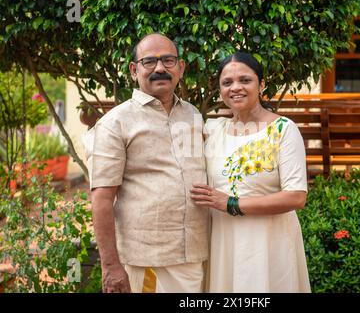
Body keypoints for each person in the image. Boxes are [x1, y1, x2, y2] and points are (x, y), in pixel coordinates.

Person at [88, 33, 209, 293]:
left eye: (168, 60)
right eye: (149, 62)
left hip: (195, 254)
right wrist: (110, 266)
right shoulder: (115, 123)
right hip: (148, 259)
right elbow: (101, 199)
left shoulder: (192, 114)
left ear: (181, 67)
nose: (160, 68)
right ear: (134, 70)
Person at [190, 52, 311, 292]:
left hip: (268, 243)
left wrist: (231, 203)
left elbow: (296, 196)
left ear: (261, 84)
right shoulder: (213, 130)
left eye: (245, 80)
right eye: (227, 82)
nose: (236, 88)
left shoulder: (283, 130)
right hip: (224, 241)